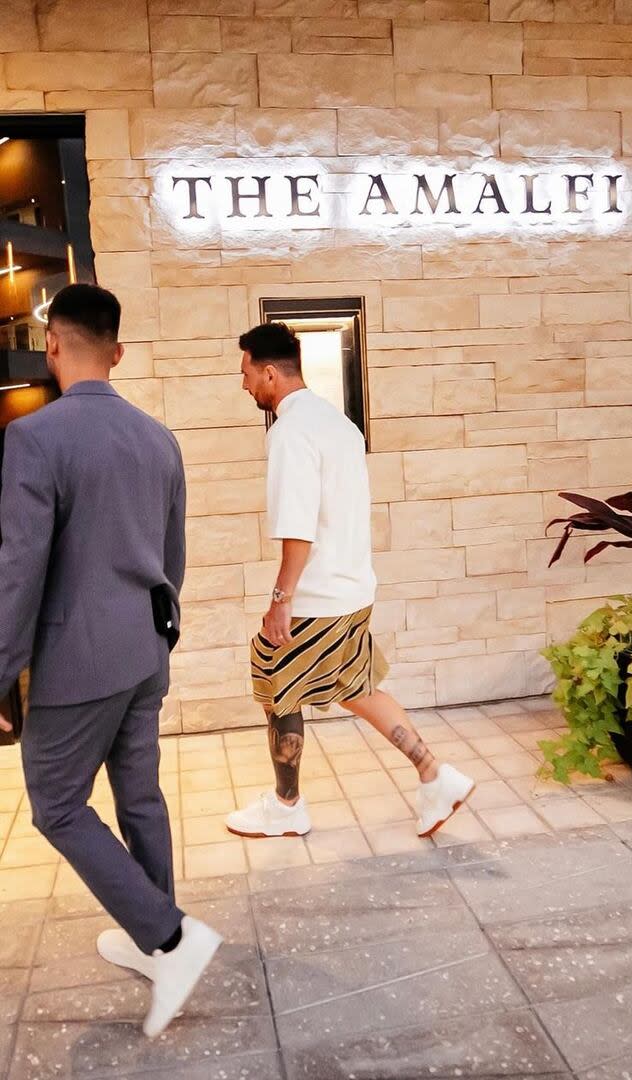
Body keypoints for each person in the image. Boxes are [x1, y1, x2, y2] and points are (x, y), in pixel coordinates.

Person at [0, 284, 221, 1038]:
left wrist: (1, 669)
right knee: (139, 796)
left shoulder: (35, 438)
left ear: (52, 345)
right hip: (144, 647)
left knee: (58, 805)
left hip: (76, 659)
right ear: (116, 351)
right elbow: (173, 560)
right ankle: (155, 938)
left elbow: (19, 569)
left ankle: (170, 938)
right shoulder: (159, 437)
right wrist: (156, 633)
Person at [226, 322, 475, 841]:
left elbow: (298, 529)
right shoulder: (338, 424)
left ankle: (286, 805)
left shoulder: (290, 432)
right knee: (355, 686)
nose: (245, 384)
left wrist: (280, 602)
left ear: (270, 372)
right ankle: (435, 775)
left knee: (276, 680)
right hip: (353, 588)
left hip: (317, 597)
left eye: (247, 373)